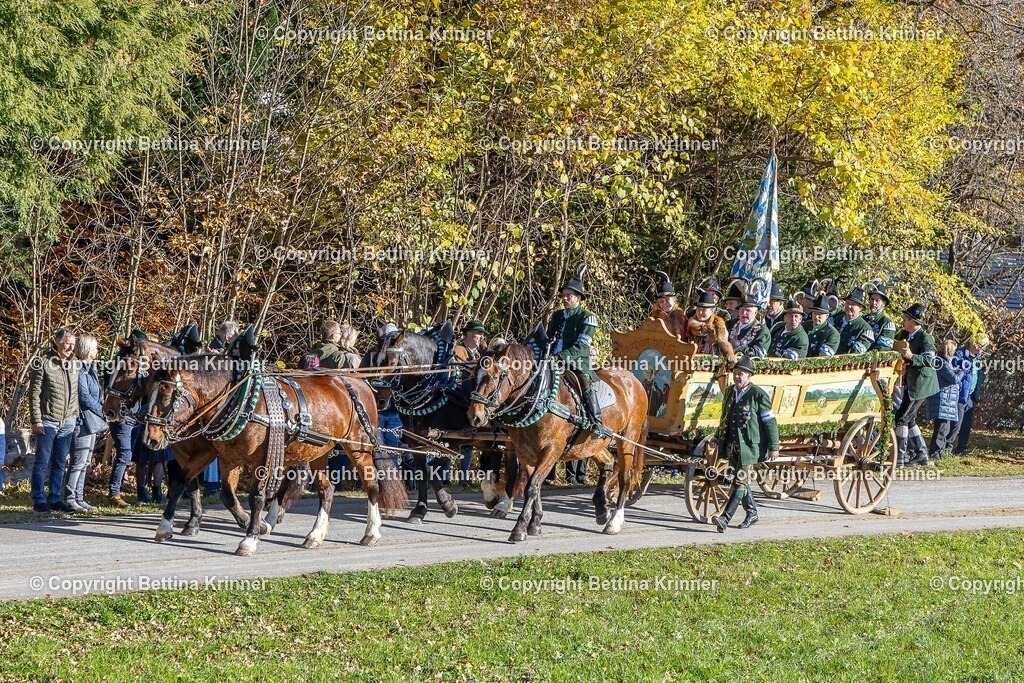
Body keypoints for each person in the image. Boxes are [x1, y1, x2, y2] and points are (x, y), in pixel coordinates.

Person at [711, 355, 779, 532]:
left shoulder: (758, 395)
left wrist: (774, 447)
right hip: (732, 445)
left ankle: (725, 518)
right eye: (735, 373)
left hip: (749, 447)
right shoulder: (729, 392)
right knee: (741, 480)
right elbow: (724, 419)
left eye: (742, 374)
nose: (737, 377)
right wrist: (717, 437)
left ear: (749, 376)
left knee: (740, 481)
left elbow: (770, 422)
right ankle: (752, 512)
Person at [546, 270, 609, 437]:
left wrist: (560, 357)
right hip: (551, 358)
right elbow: (549, 338)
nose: (565, 298)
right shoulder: (556, 316)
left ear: (578, 298)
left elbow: (582, 346)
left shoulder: (587, 317)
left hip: (577, 362)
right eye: (564, 295)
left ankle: (597, 422)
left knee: (585, 382)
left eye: (569, 295)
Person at [29, 329, 80, 513]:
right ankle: (39, 499)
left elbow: (75, 393)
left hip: (68, 421)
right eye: (67, 342)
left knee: (60, 462)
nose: (71, 346)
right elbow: (34, 394)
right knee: (42, 462)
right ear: (57, 342)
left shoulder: (75, 363)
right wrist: (36, 419)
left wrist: (74, 416)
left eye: (73, 343)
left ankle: (55, 497)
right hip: (48, 420)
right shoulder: (43, 362)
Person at [63, 334, 105, 512]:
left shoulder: (91, 368)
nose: (97, 351)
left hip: (92, 420)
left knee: (86, 461)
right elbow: (84, 396)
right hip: (82, 420)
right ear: (87, 349)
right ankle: (70, 497)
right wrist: (102, 410)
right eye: (95, 347)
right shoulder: (79, 368)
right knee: (78, 461)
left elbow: (97, 394)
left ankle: (79, 497)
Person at [894, 303, 940, 467]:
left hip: (922, 384)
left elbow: (930, 360)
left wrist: (912, 356)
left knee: (901, 418)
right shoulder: (904, 334)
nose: (903, 321)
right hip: (910, 382)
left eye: (905, 319)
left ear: (914, 322)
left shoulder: (925, 338)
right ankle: (921, 454)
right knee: (910, 419)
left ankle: (899, 457)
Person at [107, 331, 148, 508]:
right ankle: (114, 493)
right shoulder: (117, 365)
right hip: (121, 415)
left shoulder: (141, 366)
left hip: (136, 416)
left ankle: (132, 491)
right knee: (124, 454)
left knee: (132, 455)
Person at [454, 320, 488, 482]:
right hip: (460, 396)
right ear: (467, 334)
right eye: (475, 333)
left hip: (478, 398)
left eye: (481, 334)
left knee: (469, 444)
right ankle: (446, 477)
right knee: (453, 441)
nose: (479, 336)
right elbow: (456, 373)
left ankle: (465, 477)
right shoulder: (458, 350)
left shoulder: (483, 352)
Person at [950, 337, 988, 456]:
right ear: (973, 344)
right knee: (956, 423)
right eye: (981, 346)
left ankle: (962, 448)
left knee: (966, 424)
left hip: (971, 395)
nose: (983, 349)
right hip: (961, 394)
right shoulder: (960, 354)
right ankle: (947, 447)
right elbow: (954, 373)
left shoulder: (978, 358)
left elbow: (978, 375)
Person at [927, 340, 962, 461]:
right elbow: (954, 379)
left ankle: (940, 451)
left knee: (945, 427)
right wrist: (961, 371)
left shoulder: (946, 362)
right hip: (942, 398)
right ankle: (935, 451)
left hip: (947, 399)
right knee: (941, 427)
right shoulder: (940, 362)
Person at [686, 290, 736, 364]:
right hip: (691, 361)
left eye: (703, 310)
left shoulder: (718, 324)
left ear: (712, 311)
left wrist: (729, 355)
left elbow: (724, 342)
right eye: (698, 309)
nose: (700, 313)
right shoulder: (690, 323)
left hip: (712, 361)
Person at [726, 293, 771, 358]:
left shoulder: (762, 331)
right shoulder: (729, 324)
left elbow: (759, 353)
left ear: (755, 312)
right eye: (742, 310)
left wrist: (738, 351)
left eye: (748, 310)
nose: (744, 313)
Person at [835, 287, 876, 354]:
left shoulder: (865, 329)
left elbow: (856, 355)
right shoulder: (835, 320)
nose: (849, 306)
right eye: (847, 303)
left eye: (853, 304)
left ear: (860, 308)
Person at [649, 271, 687, 339]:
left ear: (674, 301)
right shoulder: (655, 316)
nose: (664, 304)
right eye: (661, 301)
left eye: (667, 300)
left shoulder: (682, 318)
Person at [863, 282, 897, 351]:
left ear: (883, 304)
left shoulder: (887, 324)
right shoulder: (863, 319)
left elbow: (883, 349)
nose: (874, 303)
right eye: (872, 299)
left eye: (877, 301)